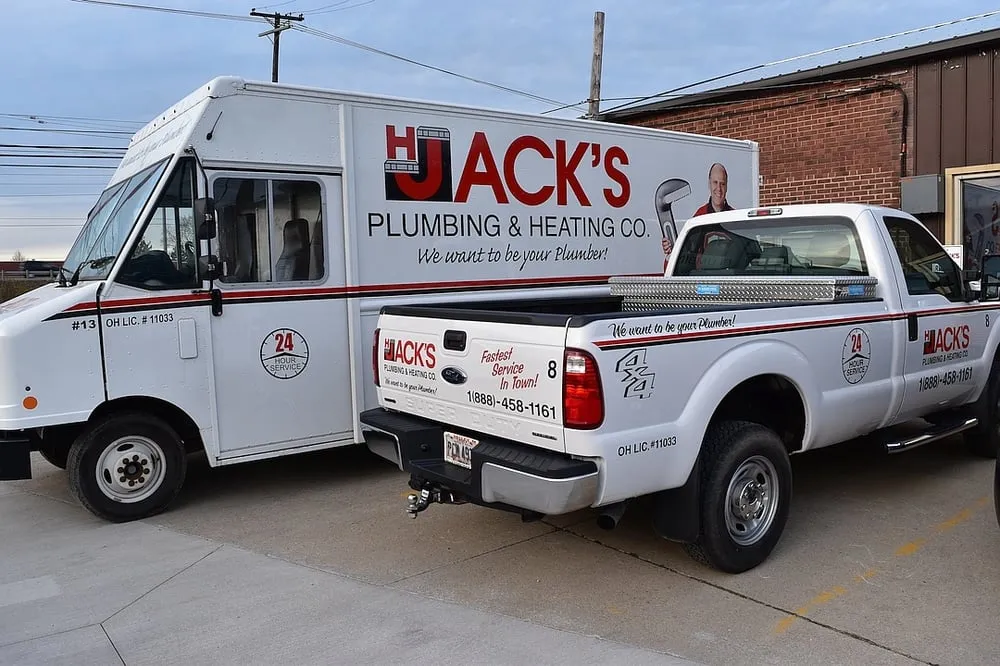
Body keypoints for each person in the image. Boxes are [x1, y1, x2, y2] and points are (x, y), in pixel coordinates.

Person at [661, 162, 735, 266]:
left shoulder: (735, 219)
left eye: (722, 183)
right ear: (709, 184)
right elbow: (686, 257)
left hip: (728, 279)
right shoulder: (699, 218)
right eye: (715, 182)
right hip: (703, 279)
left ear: (726, 186)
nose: (718, 188)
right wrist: (671, 253)